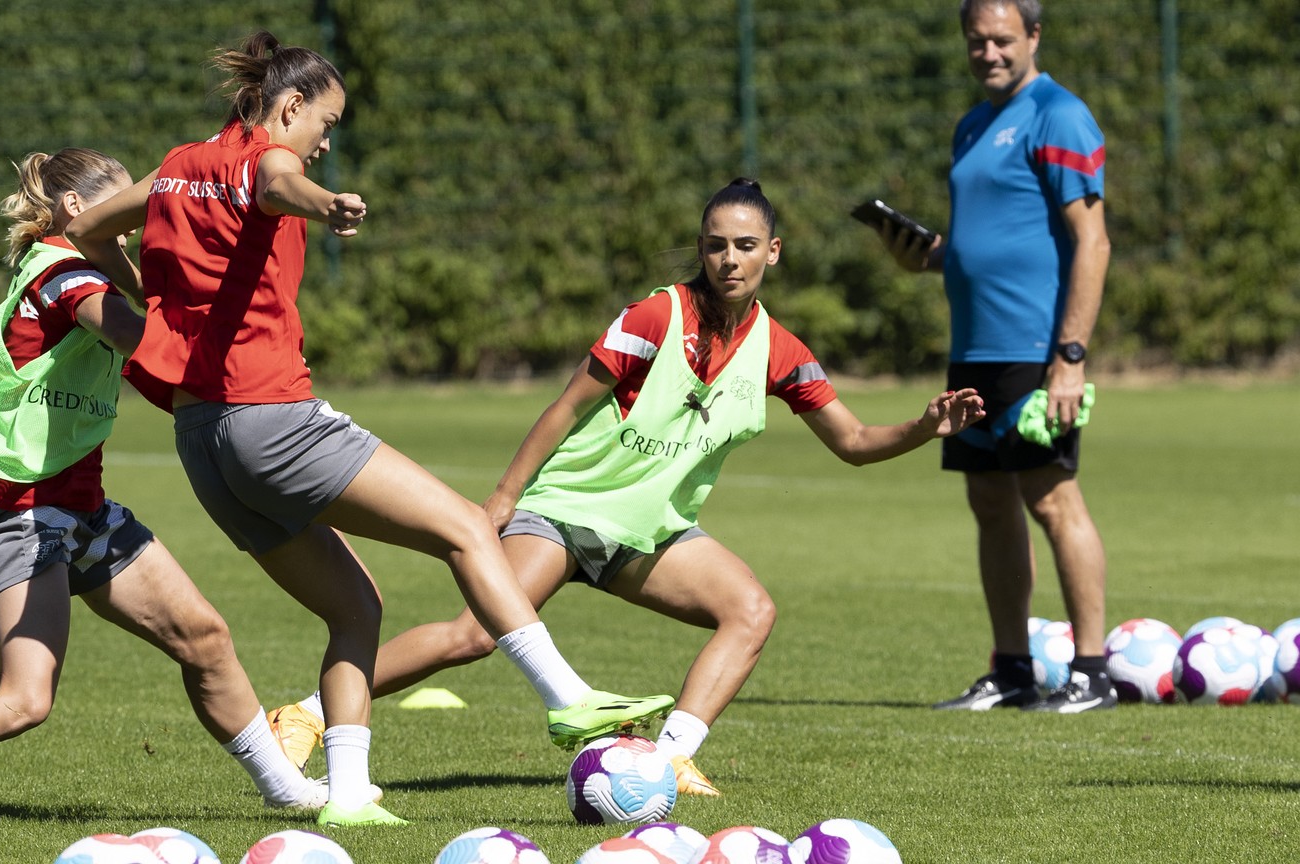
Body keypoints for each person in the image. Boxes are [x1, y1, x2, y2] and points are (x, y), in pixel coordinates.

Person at [64, 31, 673, 827]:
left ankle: (349, 799)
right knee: (466, 528)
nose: (325, 143)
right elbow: (281, 182)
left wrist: (152, 312)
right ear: (288, 107)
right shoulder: (266, 161)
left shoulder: (177, 164)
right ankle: (568, 699)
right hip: (274, 420)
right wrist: (330, 206)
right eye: (327, 122)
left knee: (356, 609)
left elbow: (85, 231)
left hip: (205, 445)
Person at [271, 178, 987, 796]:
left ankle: (668, 760)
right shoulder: (656, 316)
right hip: (564, 512)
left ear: (774, 252)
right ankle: (303, 714)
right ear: (700, 248)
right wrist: (504, 498)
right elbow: (566, 406)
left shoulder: (782, 351)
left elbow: (855, 443)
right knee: (473, 636)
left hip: (650, 533)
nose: (728, 259)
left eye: (744, 245)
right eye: (715, 244)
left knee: (751, 610)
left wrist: (925, 426)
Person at [0, 148, 336, 831]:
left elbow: (19, 374)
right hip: (18, 518)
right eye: (127, 199)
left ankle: (283, 789)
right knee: (23, 699)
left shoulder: (74, 269)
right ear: (79, 210)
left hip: (83, 511)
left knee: (204, 637)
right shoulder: (66, 278)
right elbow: (144, 342)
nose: (141, 212)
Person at [875, 0, 1114, 713]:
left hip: (1034, 350)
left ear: (1034, 36)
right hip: (974, 348)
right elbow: (985, 243)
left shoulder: (1058, 114)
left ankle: (1092, 671)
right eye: (977, 41)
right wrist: (924, 257)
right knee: (989, 502)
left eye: (1003, 39)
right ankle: (1011, 668)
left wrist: (1069, 358)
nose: (989, 53)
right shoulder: (972, 126)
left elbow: (1093, 243)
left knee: (1051, 497)